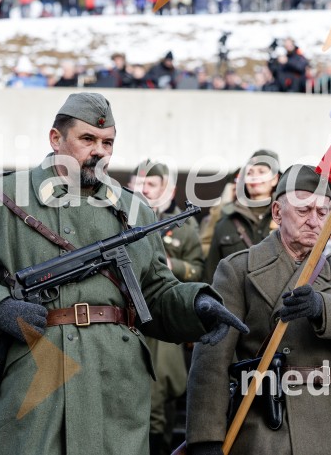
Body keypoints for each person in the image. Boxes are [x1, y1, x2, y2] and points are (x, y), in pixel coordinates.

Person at [0, 93, 247, 454]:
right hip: (38, 375)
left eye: (107, 142)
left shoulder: (135, 209)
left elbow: (156, 292)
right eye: (87, 140)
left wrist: (197, 304)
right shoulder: (2, 198)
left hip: (116, 381)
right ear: (55, 139)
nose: (99, 151)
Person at [185, 164, 331, 455]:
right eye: (304, 211)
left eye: (323, 213)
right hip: (267, 423)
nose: (314, 221)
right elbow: (212, 360)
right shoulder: (239, 269)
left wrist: (323, 307)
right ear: (278, 213)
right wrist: (206, 438)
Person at [129, 160, 205, 454]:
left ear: (167, 191)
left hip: (161, 319)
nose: (142, 188)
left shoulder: (183, 225)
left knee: (159, 400)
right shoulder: (122, 216)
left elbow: (200, 269)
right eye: (139, 182)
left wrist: (174, 265)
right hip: (128, 317)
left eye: (150, 184)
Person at [203, 150, 280, 283]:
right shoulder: (226, 222)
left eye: (261, 172)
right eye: (249, 173)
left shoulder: (285, 219)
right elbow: (211, 275)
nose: (254, 177)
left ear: (275, 179)